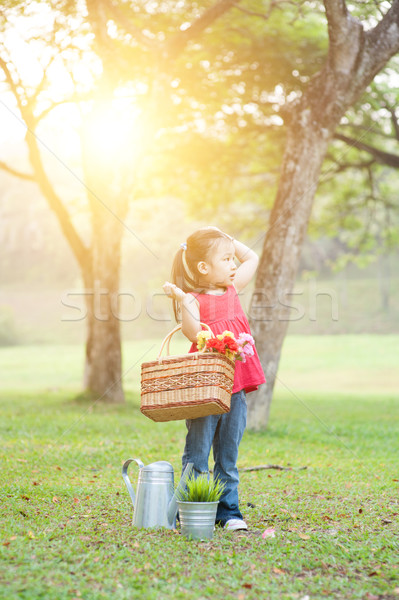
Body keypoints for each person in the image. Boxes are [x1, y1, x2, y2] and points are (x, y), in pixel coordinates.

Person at [163, 227, 265, 531]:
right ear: (204, 268)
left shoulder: (233, 289)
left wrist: (227, 240)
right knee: (198, 451)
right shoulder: (194, 300)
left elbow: (253, 258)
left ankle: (229, 512)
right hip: (206, 385)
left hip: (235, 384)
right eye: (225, 259)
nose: (233, 264)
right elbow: (193, 333)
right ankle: (191, 509)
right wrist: (183, 300)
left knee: (228, 453)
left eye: (233, 259)